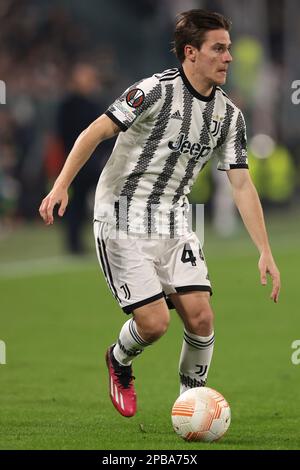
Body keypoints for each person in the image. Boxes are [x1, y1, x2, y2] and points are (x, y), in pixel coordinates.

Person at [39, 9, 281, 418]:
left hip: (173, 222)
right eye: (218, 49)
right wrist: (61, 184)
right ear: (191, 53)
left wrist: (265, 251)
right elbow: (94, 132)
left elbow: (241, 183)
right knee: (153, 324)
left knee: (201, 317)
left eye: (229, 48)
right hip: (120, 218)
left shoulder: (229, 116)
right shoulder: (153, 90)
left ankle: (191, 406)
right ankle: (119, 359)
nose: (229, 58)